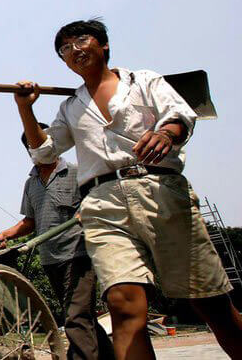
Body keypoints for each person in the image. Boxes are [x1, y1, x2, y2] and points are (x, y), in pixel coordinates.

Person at [13, 19, 242, 360]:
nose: (74, 50)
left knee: (210, 303)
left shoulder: (144, 81)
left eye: (81, 40)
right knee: (123, 305)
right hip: (102, 204)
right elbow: (44, 152)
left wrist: (166, 133)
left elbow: (179, 115)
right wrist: (25, 108)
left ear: (103, 45)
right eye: (65, 48)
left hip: (159, 191)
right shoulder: (70, 107)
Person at [0, 127, 114, 360]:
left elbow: (96, 203)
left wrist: (86, 211)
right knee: (82, 316)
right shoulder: (31, 183)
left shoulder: (77, 172)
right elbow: (30, 222)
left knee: (76, 317)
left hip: (78, 255)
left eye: (43, 142)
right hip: (50, 259)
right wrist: (6, 234)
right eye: (33, 145)